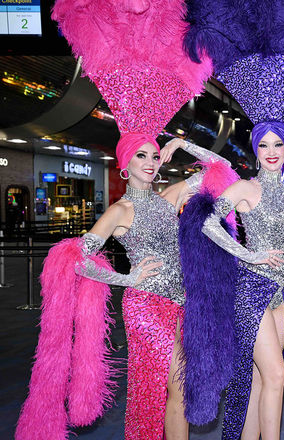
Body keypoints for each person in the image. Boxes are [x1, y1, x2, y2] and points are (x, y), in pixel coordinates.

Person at [16, 1, 216, 439]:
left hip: (181, 300)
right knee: (155, 389)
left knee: (178, 390)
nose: (149, 161)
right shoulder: (120, 210)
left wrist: (180, 147)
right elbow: (81, 259)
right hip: (144, 306)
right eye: (140, 156)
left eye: (152, 155)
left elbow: (220, 174)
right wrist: (127, 280)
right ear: (125, 165)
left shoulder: (169, 196)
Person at [180, 2, 284, 438]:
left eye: (278, 145)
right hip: (249, 291)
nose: (271, 151)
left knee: (261, 380)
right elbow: (210, 225)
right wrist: (246, 252)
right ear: (256, 149)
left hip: (282, 290)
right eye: (264, 144)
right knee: (277, 375)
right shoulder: (242, 189)